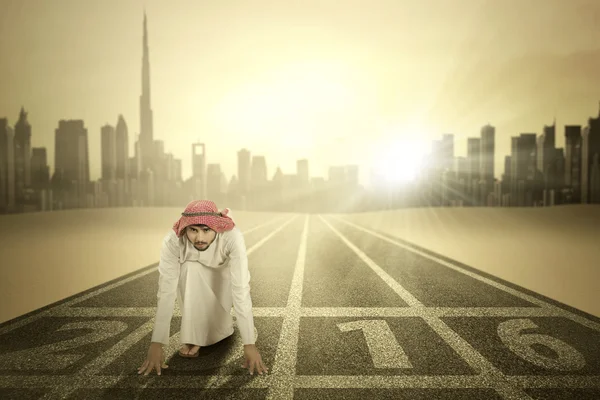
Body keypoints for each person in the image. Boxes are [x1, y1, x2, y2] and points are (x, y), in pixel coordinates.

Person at [137, 200, 268, 376]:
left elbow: (240, 289)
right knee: (191, 267)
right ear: (185, 229)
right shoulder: (173, 241)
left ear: (216, 228)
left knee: (223, 294)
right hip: (194, 281)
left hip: (224, 282)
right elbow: (166, 291)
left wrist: (249, 344)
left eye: (206, 230)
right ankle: (195, 335)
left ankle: (215, 328)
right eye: (193, 230)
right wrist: (156, 343)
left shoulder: (232, 237)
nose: (199, 238)